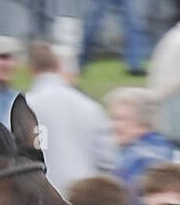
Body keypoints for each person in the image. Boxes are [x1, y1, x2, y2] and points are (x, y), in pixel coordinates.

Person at [25, 42, 115, 195]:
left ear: (31, 70)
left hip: (44, 197)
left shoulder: (26, 106)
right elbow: (107, 158)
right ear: (58, 65)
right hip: (84, 197)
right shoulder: (90, 106)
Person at [105, 87, 174, 205]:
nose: (114, 126)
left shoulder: (143, 157)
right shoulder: (149, 149)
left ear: (144, 121)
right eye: (113, 119)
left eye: (121, 119)